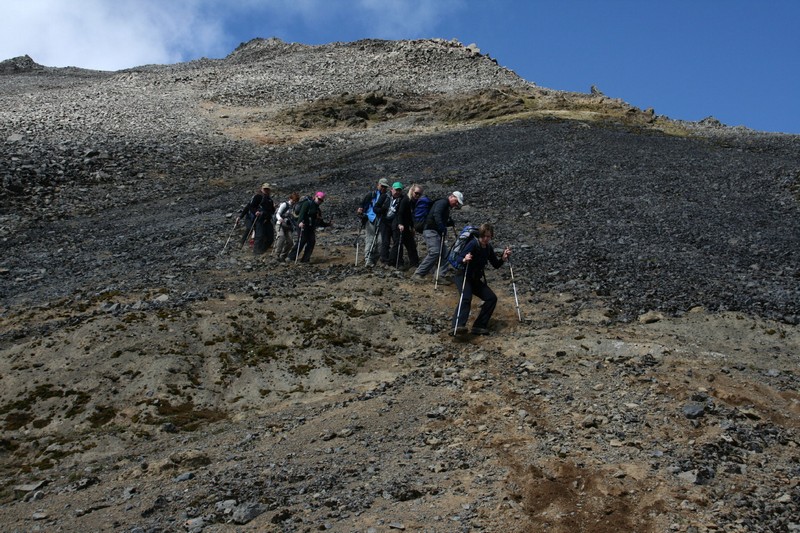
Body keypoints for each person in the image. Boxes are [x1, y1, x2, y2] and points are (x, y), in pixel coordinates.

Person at [450, 223, 512, 336]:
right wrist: (465, 259)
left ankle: (479, 326)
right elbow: (459, 258)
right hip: (463, 276)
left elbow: (496, 264)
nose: (485, 239)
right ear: (480, 235)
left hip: (475, 279)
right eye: (483, 236)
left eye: (488, 236)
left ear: (491, 236)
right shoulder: (473, 244)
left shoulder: (488, 248)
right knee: (466, 298)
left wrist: (503, 258)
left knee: (491, 298)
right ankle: (457, 326)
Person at [412, 191, 464, 281]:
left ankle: (439, 276)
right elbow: (436, 214)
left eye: (458, 203)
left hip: (435, 232)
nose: (456, 204)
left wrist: (447, 223)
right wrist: (442, 227)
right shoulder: (442, 202)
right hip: (430, 230)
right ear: (452, 197)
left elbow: (438, 217)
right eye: (456, 201)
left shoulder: (445, 205)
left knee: (446, 254)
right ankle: (418, 274)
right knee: (435, 252)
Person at [290, 191, 332, 263]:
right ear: (315, 197)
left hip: (310, 227)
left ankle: (305, 259)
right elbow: (302, 214)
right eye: (319, 199)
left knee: (312, 241)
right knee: (302, 240)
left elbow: (319, 221)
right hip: (303, 225)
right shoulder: (307, 204)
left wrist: (327, 224)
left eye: (321, 200)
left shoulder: (317, 209)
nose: (320, 201)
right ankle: (291, 257)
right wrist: (300, 222)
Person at [357, 178, 389, 267]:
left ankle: (374, 259)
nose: (383, 188)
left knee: (381, 241)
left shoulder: (387, 197)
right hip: (370, 219)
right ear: (378, 185)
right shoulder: (371, 195)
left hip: (382, 221)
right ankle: (368, 259)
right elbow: (362, 204)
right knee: (370, 239)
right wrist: (360, 211)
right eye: (382, 186)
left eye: (385, 187)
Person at [237, 182, 275, 254]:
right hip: (258, 219)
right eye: (265, 189)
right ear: (262, 189)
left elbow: (272, 211)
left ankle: (262, 250)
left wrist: (273, 208)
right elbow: (250, 206)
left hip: (267, 219)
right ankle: (256, 252)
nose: (266, 190)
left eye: (267, 189)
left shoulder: (270, 200)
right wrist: (256, 212)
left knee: (270, 238)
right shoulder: (257, 197)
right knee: (259, 235)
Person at [390, 182, 420, 269]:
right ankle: (393, 263)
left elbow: (410, 216)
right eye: (416, 193)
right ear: (412, 191)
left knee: (411, 244)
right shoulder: (405, 199)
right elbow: (400, 213)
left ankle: (415, 263)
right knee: (398, 244)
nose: (417, 195)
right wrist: (400, 224)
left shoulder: (413, 202)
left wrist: (412, 227)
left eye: (419, 194)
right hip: (398, 224)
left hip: (406, 225)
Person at [380, 181, 404, 266]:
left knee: (397, 241)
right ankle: (384, 259)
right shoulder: (385, 196)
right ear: (391, 189)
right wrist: (382, 210)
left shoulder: (402, 199)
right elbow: (376, 208)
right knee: (385, 241)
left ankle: (395, 260)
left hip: (395, 222)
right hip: (385, 222)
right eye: (396, 190)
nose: (398, 192)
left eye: (399, 190)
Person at [273, 192, 299, 261]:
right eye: (293, 200)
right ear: (290, 198)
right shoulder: (284, 204)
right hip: (280, 224)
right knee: (281, 237)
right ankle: (277, 254)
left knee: (290, 242)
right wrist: (280, 218)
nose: (294, 202)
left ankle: (283, 256)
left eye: (295, 201)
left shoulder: (294, 207)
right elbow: (278, 213)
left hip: (288, 226)